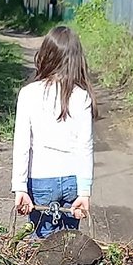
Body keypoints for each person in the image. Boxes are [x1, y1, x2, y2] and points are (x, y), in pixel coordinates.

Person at [11, 26, 98, 238]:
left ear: (46, 56)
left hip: (40, 181)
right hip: (72, 183)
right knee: (70, 246)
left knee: (43, 247)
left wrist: (20, 188)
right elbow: (85, 146)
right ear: (76, 59)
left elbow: (22, 145)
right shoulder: (82, 96)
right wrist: (84, 192)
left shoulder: (28, 94)